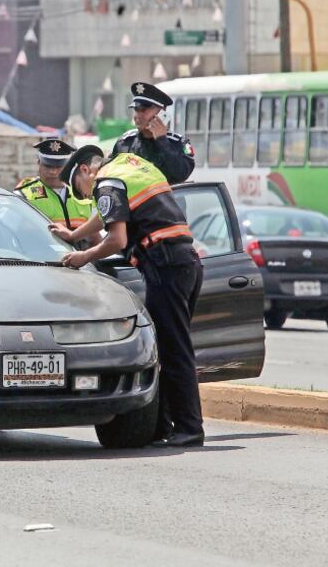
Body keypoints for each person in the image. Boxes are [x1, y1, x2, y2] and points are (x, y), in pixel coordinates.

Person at [57, 145, 205, 448]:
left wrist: (83, 255)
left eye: (80, 189)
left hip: (165, 263)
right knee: (167, 347)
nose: (86, 196)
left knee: (174, 349)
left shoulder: (107, 183)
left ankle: (190, 427)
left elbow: (117, 238)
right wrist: (73, 235)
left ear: (86, 171)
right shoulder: (129, 166)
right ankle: (163, 426)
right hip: (184, 259)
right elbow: (110, 215)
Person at [50, 81, 196, 246]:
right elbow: (112, 189)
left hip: (166, 226)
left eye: (144, 110)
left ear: (162, 114)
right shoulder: (125, 142)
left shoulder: (177, 144)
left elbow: (180, 174)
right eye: (136, 109)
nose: (137, 115)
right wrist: (74, 235)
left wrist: (161, 140)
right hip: (131, 230)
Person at [15, 138, 99, 247]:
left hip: (81, 261)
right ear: (39, 163)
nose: (53, 171)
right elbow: (7, 232)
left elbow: (95, 237)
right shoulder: (23, 194)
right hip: (41, 261)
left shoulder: (84, 194)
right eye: (47, 165)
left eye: (59, 166)